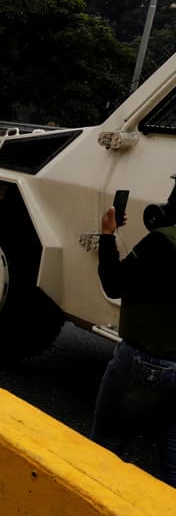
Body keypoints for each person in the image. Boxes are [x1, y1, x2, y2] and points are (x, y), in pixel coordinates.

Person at [89, 177, 176, 487]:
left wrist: (108, 234)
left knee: (103, 453)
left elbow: (114, 282)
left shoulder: (162, 242)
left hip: (145, 362)